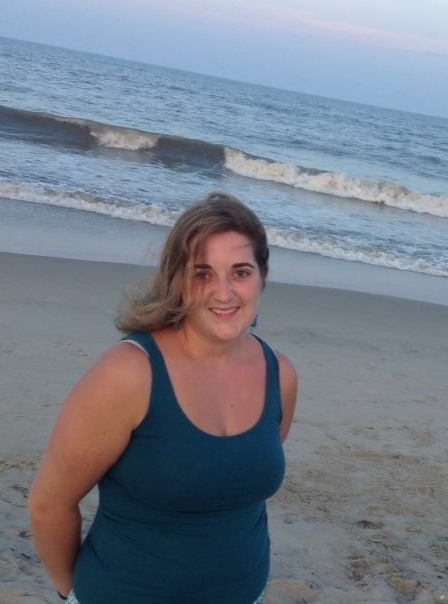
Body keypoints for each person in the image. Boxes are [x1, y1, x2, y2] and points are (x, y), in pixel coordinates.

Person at [28, 192, 298, 604]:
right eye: (202, 273)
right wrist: (72, 593)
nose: (224, 292)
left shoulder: (280, 375)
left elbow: (238, 478)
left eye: (240, 272)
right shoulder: (130, 373)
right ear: (177, 280)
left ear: (263, 275)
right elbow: (49, 505)